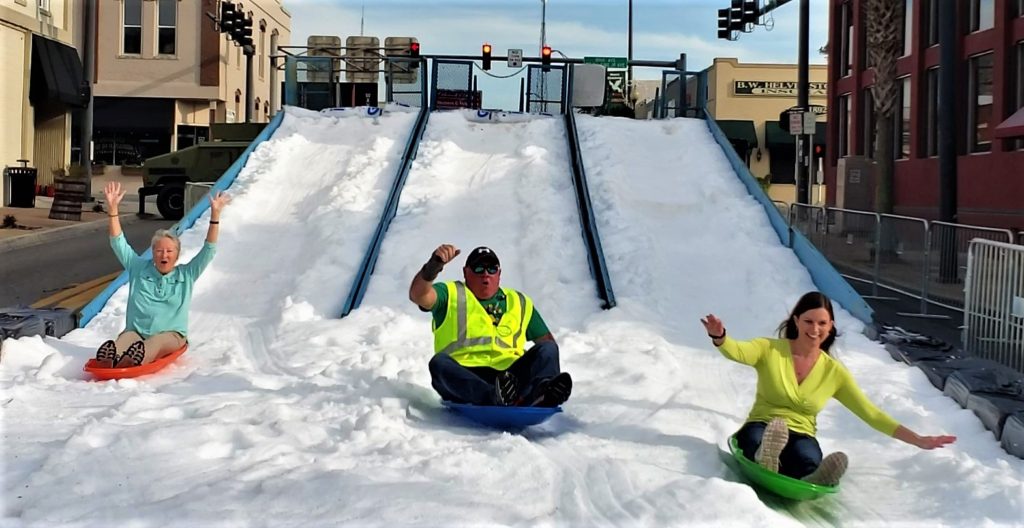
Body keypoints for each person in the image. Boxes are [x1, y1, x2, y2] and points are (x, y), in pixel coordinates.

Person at [700, 291, 956, 486]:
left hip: (801, 433)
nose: (815, 329)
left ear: (831, 325)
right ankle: (764, 457)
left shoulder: (833, 372)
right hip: (764, 423)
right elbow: (738, 351)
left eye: (822, 323)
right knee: (756, 438)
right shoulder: (770, 349)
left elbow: (871, 414)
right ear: (796, 321)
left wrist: (919, 440)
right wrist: (720, 336)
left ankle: (809, 476)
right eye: (809, 321)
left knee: (807, 457)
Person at [409, 244, 572, 407]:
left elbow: (547, 345)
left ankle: (542, 394)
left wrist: (542, 375)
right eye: (479, 269)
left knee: (548, 348)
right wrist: (433, 266)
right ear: (466, 273)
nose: (486, 274)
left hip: (510, 380)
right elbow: (418, 295)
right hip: (465, 376)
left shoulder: (519, 302)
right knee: (439, 364)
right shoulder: (450, 293)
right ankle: (493, 397)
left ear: (499, 274)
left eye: (492, 269)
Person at [93, 181, 230, 368]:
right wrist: (113, 210)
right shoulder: (138, 268)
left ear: (177, 254)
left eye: (169, 251)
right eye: (159, 251)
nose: (164, 255)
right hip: (137, 332)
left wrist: (215, 216)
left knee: (154, 344)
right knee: (125, 340)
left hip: (171, 336)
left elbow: (209, 250)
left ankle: (135, 358)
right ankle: (112, 356)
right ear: (153, 252)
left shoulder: (186, 275)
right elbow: (118, 243)